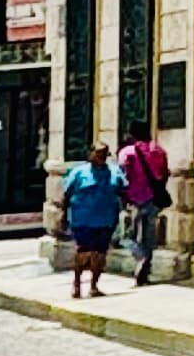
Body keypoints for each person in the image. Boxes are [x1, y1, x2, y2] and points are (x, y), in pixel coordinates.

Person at [62, 143, 123, 299]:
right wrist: (63, 215)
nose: (101, 157)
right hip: (82, 220)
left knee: (100, 254)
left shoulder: (114, 172)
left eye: (104, 154)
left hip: (106, 220)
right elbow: (66, 195)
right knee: (83, 252)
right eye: (98, 153)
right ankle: (76, 285)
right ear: (90, 154)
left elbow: (122, 190)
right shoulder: (78, 172)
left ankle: (94, 285)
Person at [117, 124, 171, 287]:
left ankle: (141, 258)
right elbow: (165, 174)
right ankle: (145, 273)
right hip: (154, 199)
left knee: (127, 236)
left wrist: (123, 197)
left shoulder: (128, 153)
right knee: (149, 237)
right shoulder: (159, 151)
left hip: (134, 200)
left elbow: (122, 177)